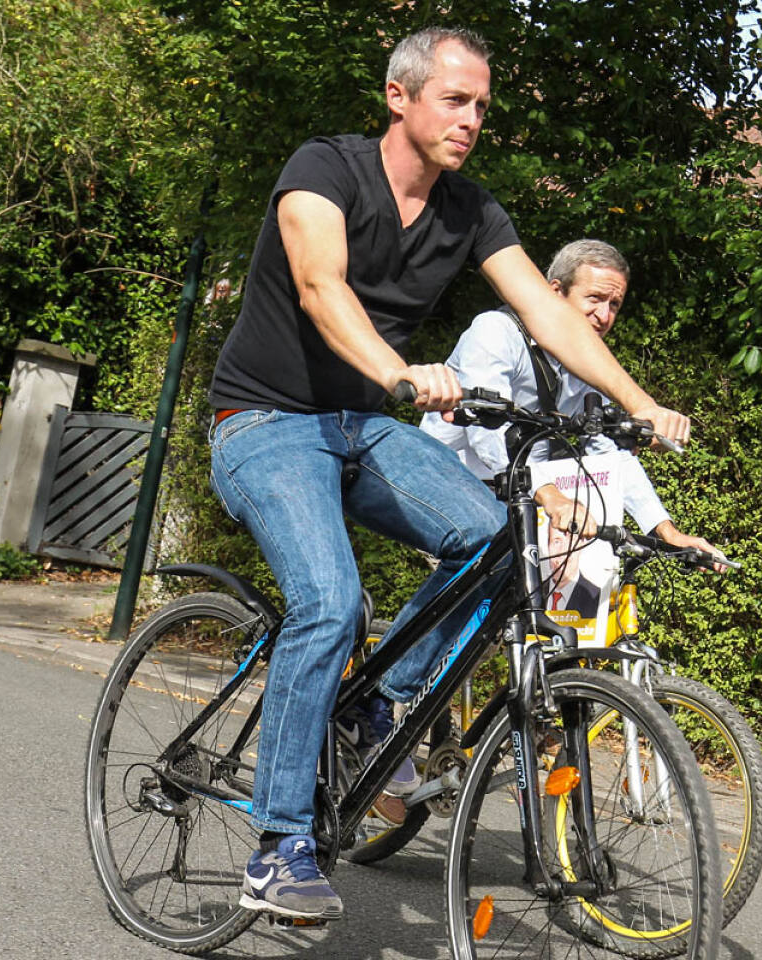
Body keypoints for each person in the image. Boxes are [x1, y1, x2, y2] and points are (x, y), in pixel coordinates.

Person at [208, 31, 692, 921]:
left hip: (360, 427)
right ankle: (279, 846)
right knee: (330, 601)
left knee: (501, 542)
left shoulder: (470, 209)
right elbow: (321, 287)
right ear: (400, 97)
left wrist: (640, 402)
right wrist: (399, 370)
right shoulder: (324, 169)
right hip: (264, 421)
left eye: (481, 107)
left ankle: (372, 710)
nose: (471, 120)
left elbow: (548, 311)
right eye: (455, 101)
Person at [421, 238, 725, 566]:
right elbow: (486, 431)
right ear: (555, 292)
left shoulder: (587, 366)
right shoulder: (495, 331)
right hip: (448, 486)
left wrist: (667, 532)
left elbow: (610, 453)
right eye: (594, 298)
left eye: (614, 305)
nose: (604, 315)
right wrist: (551, 496)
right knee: (491, 580)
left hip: (524, 495)